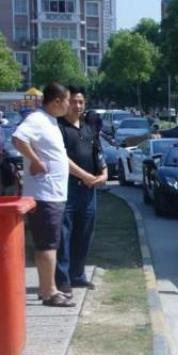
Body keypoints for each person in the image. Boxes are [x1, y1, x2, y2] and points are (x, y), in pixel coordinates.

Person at [12, 83, 82, 307]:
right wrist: (35, 160)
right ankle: (50, 291)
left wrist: (86, 176)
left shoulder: (50, 122)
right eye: (68, 100)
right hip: (45, 195)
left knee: (51, 243)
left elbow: (58, 156)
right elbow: (18, 139)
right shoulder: (37, 120)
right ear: (57, 101)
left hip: (54, 194)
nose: (71, 105)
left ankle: (46, 289)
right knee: (48, 245)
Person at [55, 85, 108, 294]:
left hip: (89, 192)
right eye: (74, 101)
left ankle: (78, 276)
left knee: (84, 234)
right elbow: (61, 159)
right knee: (64, 235)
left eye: (81, 102)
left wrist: (103, 174)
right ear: (66, 103)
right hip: (67, 189)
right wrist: (85, 176)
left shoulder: (89, 128)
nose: (77, 105)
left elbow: (98, 154)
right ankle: (63, 279)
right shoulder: (58, 128)